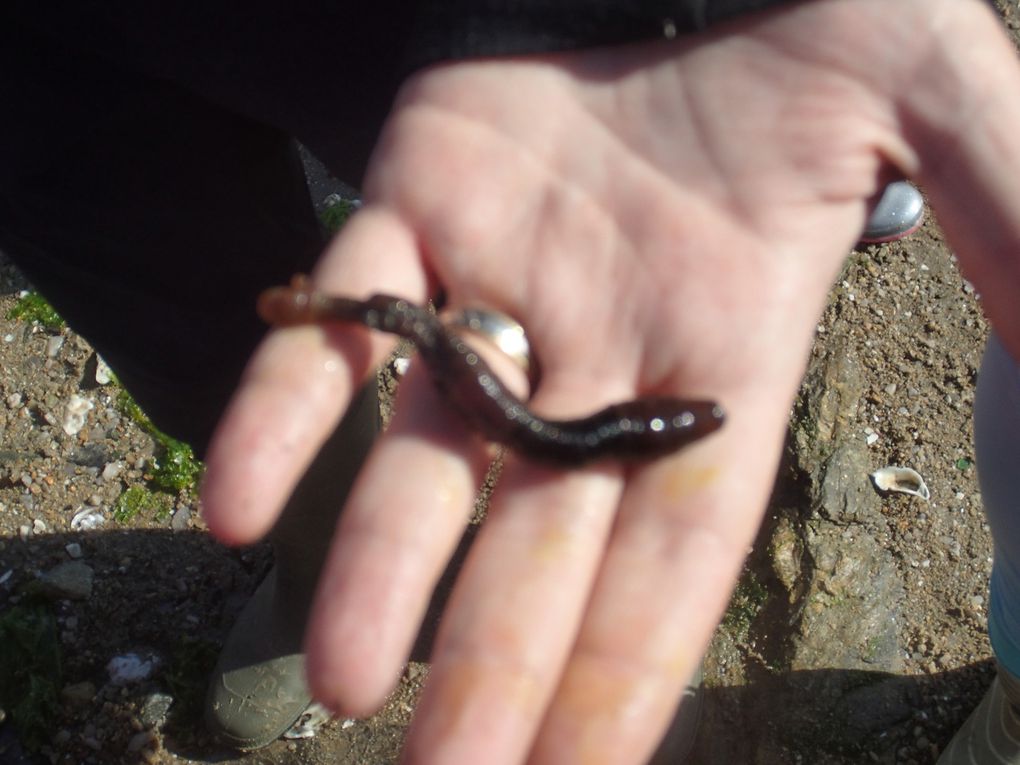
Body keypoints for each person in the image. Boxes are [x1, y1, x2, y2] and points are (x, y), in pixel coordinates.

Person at [2, 1, 1019, 763]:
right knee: (215, 351)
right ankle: (320, 562)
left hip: (481, 34)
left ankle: (382, 561)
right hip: (43, 87)